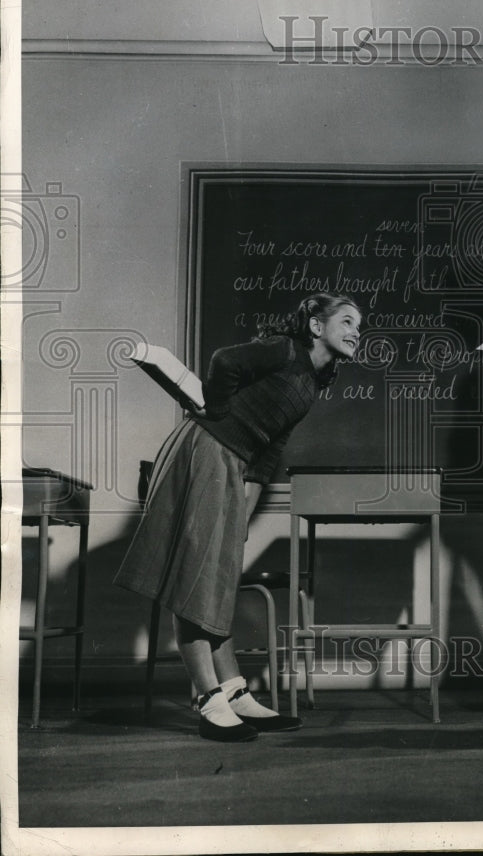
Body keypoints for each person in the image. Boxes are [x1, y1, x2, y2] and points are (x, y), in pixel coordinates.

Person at [116, 293, 362, 742]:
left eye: (359, 327)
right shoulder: (286, 350)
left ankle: (233, 692)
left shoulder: (313, 381)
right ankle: (207, 697)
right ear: (315, 325)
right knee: (196, 576)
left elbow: (271, 448)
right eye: (346, 321)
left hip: (232, 466)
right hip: (206, 451)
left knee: (219, 578)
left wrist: (246, 507)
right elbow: (224, 361)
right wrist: (221, 412)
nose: (355, 333)